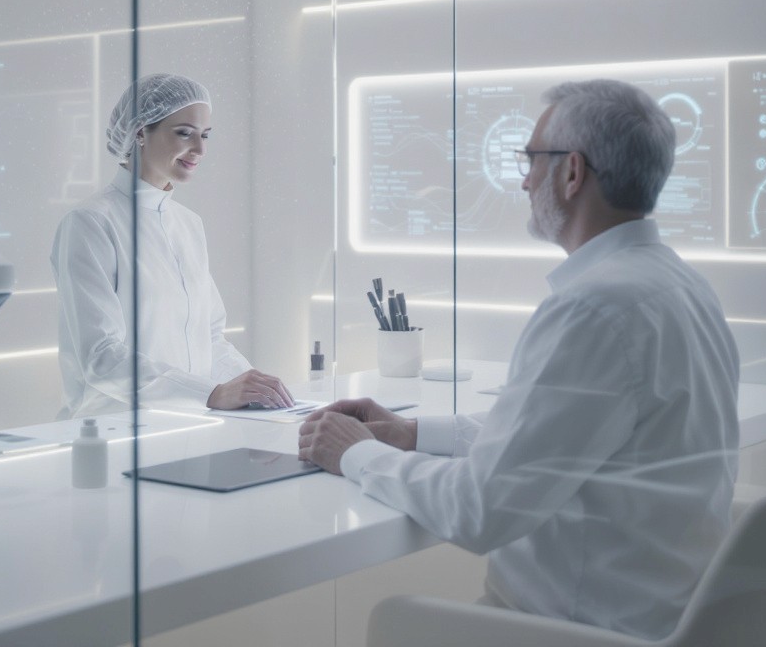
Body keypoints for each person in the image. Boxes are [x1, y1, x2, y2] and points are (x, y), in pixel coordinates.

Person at [298, 79, 739, 640]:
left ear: (572, 173)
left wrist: (356, 454)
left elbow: (479, 513)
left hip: (572, 630)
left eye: (531, 159)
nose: (525, 179)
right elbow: (560, 438)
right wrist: (412, 433)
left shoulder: (592, 307)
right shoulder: (680, 285)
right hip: (658, 615)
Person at [52, 73, 293, 418]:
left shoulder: (188, 224)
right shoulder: (90, 223)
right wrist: (212, 393)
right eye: (184, 133)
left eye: (205, 135)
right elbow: (101, 357)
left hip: (189, 425)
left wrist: (255, 386)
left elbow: (209, 337)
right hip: (113, 434)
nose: (200, 149)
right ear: (139, 132)